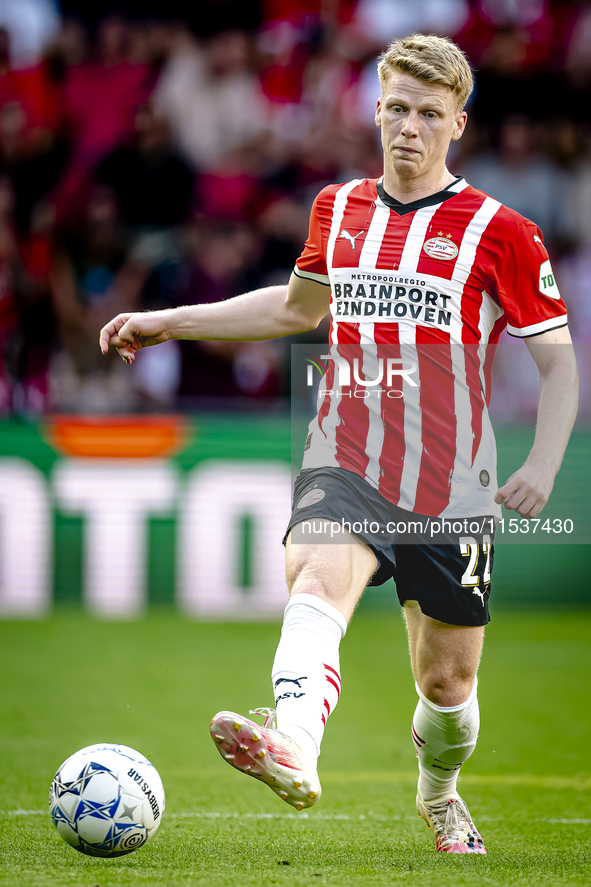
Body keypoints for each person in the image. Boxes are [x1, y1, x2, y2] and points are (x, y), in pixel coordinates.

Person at [99, 34, 579, 854]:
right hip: (346, 452)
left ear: (456, 123)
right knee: (316, 579)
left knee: (446, 684)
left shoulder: (503, 234)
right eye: (396, 108)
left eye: (429, 114)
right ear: (376, 108)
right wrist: (169, 320)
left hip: (451, 484)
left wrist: (540, 461)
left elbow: (556, 362)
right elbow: (294, 309)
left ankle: (439, 791)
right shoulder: (340, 208)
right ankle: (294, 744)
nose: (408, 128)